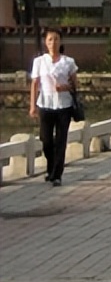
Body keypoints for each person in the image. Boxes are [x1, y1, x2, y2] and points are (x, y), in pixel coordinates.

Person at [29, 27, 78, 187]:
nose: (53, 42)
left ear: (60, 41)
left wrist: (64, 87)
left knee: (60, 141)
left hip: (64, 105)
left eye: (56, 39)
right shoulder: (39, 61)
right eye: (50, 39)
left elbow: (75, 85)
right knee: (46, 140)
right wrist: (32, 106)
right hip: (45, 104)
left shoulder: (68, 62)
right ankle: (51, 168)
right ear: (46, 42)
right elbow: (35, 84)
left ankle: (57, 175)